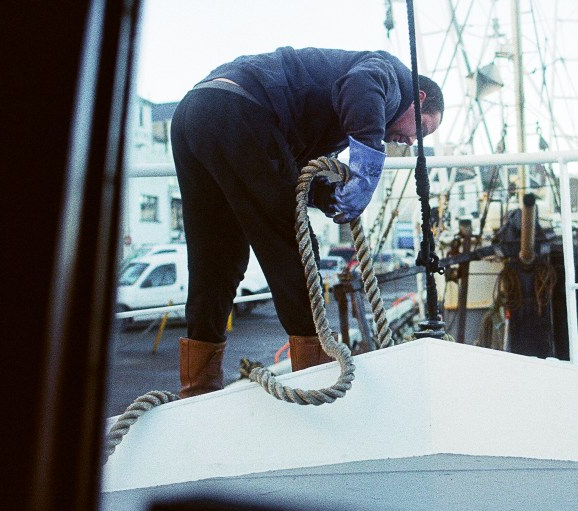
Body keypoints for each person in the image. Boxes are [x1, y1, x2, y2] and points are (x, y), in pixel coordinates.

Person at [170, 46, 444, 397]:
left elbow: (286, 171)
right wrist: (367, 167)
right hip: (239, 110)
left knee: (216, 258)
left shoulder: (329, 115)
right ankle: (315, 382)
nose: (410, 141)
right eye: (420, 129)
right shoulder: (392, 77)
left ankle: (197, 388)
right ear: (418, 99)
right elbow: (361, 85)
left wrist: (327, 195)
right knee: (295, 248)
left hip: (195, 112)